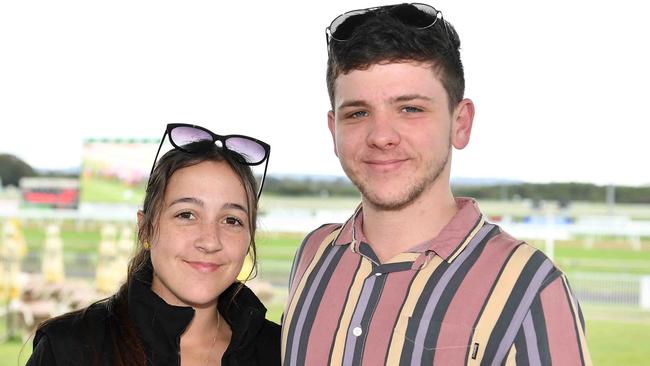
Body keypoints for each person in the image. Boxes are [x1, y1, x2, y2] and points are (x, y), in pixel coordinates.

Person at [282, 3, 591, 365]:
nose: (381, 136)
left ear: (460, 124)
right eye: (358, 113)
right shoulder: (314, 254)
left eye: (410, 109)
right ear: (334, 130)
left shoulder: (531, 288)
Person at [27, 123, 280, 365]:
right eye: (186, 215)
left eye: (231, 220)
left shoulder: (283, 352)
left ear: (250, 238)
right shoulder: (66, 350)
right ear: (145, 228)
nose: (210, 241)